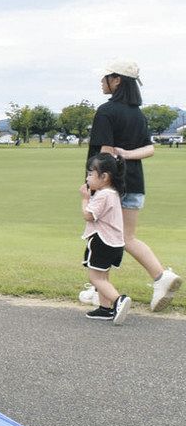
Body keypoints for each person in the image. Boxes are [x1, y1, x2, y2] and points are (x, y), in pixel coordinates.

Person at [81, 61, 179, 312]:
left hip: (110, 187)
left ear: (117, 81)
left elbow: (103, 154)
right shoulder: (138, 113)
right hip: (135, 183)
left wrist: (93, 186)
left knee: (103, 236)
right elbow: (149, 149)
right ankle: (99, 289)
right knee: (124, 237)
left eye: (105, 77)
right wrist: (127, 154)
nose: (101, 82)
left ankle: (156, 277)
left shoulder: (106, 111)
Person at [79, 153, 130, 324]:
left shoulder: (102, 195)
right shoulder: (113, 193)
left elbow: (88, 215)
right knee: (103, 276)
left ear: (105, 177)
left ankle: (118, 300)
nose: (87, 178)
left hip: (102, 241)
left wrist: (85, 199)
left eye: (90, 174)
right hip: (115, 243)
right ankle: (105, 309)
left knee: (95, 278)